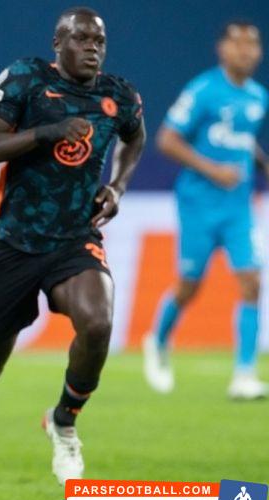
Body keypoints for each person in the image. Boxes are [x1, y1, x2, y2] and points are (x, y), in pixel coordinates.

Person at [0, 6, 146, 500]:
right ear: (58, 42)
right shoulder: (25, 79)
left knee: (98, 321)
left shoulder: (118, 95)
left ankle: (64, 421)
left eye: (99, 41)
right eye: (82, 39)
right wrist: (45, 133)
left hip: (74, 240)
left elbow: (135, 136)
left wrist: (117, 187)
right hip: (14, 244)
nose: (93, 48)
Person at [143, 21, 268, 400]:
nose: (246, 51)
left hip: (238, 207)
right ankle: (158, 340)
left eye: (253, 44)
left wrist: (262, 163)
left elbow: (241, 141)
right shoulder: (203, 90)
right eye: (238, 43)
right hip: (198, 204)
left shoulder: (258, 97)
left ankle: (244, 375)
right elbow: (167, 139)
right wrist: (214, 170)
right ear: (222, 49)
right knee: (189, 286)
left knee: (251, 281)